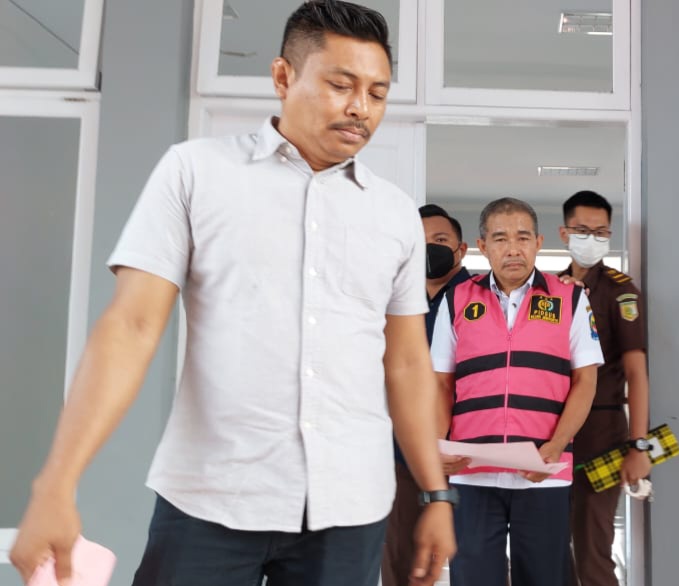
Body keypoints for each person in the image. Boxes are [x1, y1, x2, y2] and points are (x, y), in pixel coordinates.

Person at [8, 3, 455, 586]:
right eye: (341, 85)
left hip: (349, 509)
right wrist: (57, 483)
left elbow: (407, 362)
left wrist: (434, 493)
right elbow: (131, 328)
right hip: (211, 499)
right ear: (283, 77)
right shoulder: (196, 172)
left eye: (377, 92)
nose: (360, 108)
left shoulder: (394, 213)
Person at [430, 197, 603, 586]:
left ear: (538, 242)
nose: (513, 249)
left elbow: (586, 381)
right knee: (473, 577)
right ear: (482, 246)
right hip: (472, 472)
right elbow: (441, 383)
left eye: (523, 238)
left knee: (545, 577)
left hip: (544, 469)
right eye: (501, 238)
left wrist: (556, 446)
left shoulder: (570, 298)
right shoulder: (457, 299)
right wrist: (438, 445)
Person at [558, 190, 650, 586]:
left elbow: (637, 373)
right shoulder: (549, 289)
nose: (591, 238)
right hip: (553, 434)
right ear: (564, 233)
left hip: (602, 435)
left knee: (592, 550)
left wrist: (639, 447)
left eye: (600, 232)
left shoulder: (619, 290)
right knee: (550, 547)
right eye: (582, 230)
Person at [381, 203, 472, 586]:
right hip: (404, 453)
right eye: (420, 241)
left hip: (466, 456)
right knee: (406, 564)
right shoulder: (395, 302)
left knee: (476, 564)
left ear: (461, 249)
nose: (430, 248)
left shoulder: (483, 298)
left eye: (440, 240)